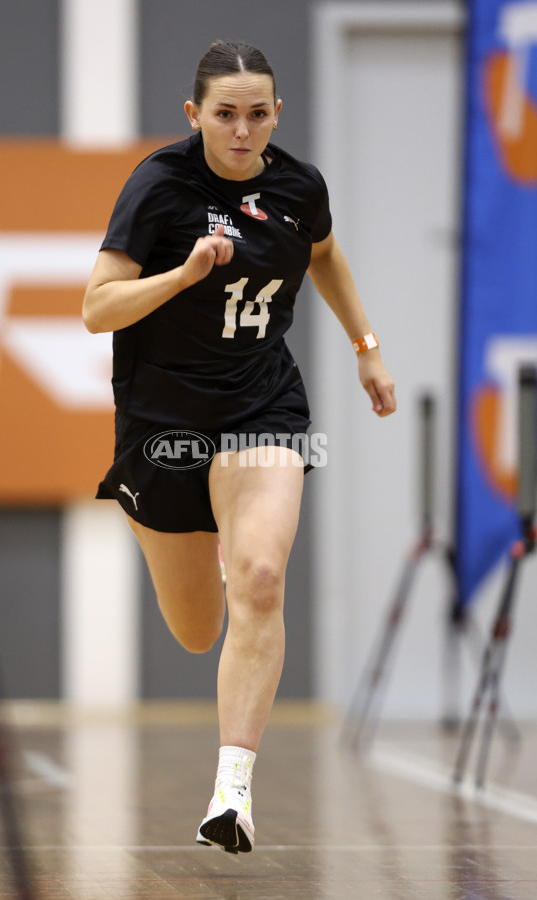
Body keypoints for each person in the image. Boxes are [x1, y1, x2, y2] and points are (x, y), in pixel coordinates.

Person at [82, 39, 396, 854]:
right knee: (195, 628)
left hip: (263, 406)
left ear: (276, 114)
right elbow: (97, 308)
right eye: (225, 115)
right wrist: (182, 278)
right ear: (195, 116)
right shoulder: (159, 185)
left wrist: (366, 345)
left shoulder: (298, 188)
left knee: (260, 576)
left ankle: (232, 795)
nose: (242, 130)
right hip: (163, 423)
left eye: (258, 114)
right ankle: (205, 531)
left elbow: (323, 252)